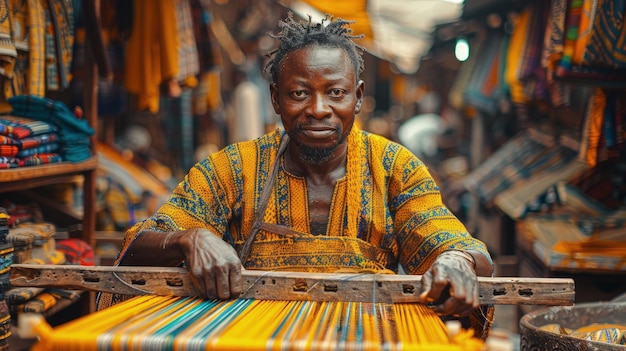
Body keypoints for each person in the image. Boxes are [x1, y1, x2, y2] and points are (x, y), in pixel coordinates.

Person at [98, 13, 494, 339]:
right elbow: (136, 248)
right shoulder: (233, 168)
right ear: (275, 98)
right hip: (255, 339)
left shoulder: (395, 168)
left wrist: (457, 260)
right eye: (299, 93)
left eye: (335, 93)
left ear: (357, 96)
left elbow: (444, 235)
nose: (318, 109)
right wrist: (191, 238)